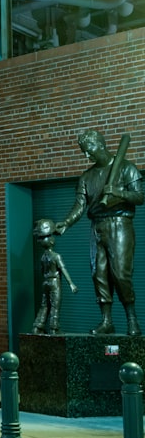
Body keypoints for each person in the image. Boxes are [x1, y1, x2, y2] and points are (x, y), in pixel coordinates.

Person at [56, 129, 144, 335]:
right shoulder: (87, 177)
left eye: (89, 150)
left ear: (100, 144)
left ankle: (132, 319)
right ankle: (107, 321)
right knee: (99, 274)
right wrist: (66, 223)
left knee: (121, 274)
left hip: (120, 224)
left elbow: (140, 197)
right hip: (97, 226)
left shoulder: (126, 168)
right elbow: (80, 205)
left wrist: (118, 192)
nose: (87, 156)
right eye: (83, 152)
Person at [32, 219, 77, 334]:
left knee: (44, 305)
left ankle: (38, 326)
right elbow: (63, 269)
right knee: (55, 305)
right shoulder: (56, 256)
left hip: (46, 282)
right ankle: (54, 328)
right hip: (54, 282)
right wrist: (71, 283)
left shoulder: (43, 257)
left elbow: (42, 271)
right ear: (51, 242)